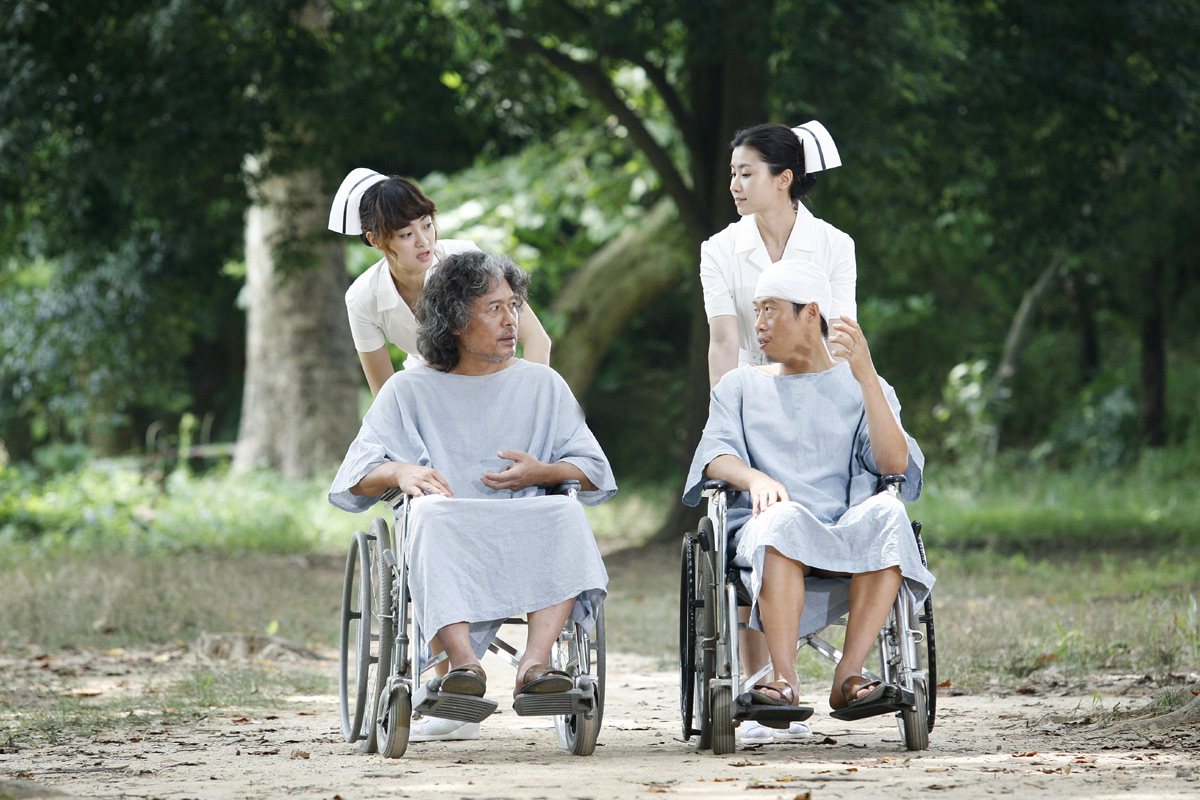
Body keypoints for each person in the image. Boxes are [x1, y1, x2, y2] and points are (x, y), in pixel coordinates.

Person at [328, 250, 616, 737]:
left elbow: (593, 471)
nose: (511, 320)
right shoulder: (407, 390)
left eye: (513, 305)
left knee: (566, 514)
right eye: (494, 308)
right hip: (448, 530)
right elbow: (354, 477)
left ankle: (536, 666)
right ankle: (463, 668)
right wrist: (399, 471)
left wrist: (543, 471)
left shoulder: (543, 385)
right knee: (429, 514)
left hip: (525, 526)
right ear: (456, 322)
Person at [683, 260, 934, 725]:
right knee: (783, 518)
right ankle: (782, 678)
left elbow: (893, 465)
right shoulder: (740, 385)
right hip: (772, 530)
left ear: (810, 313)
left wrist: (867, 376)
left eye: (770, 309)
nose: (758, 324)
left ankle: (849, 675)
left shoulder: (864, 385)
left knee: (889, 516)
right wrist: (756, 479)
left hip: (843, 531)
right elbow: (715, 455)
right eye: (756, 311)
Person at [698, 120, 854, 741]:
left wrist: (838, 406)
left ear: (784, 178)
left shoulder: (833, 244)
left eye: (747, 173)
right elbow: (723, 339)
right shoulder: (719, 249)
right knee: (745, 520)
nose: (734, 184)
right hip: (752, 402)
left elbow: (841, 333)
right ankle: (762, 682)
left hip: (821, 395)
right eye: (732, 173)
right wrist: (728, 419)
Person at [328, 168, 552, 397]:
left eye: (427, 225)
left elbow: (536, 339)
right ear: (375, 240)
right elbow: (384, 394)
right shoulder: (362, 298)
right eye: (406, 234)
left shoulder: (465, 259)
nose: (423, 241)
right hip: (428, 393)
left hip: (492, 379)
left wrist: (529, 400)